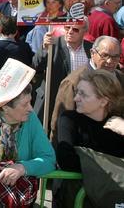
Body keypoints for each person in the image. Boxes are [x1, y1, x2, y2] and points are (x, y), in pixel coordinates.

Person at [0, 85, 56, 207]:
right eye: (25, 104)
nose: (30, 108)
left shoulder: (31, 119)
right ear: (5, 107)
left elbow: (49, 159)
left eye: (30, 102)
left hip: (19, 196)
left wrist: (22, 168)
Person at [54, 69, 124, 208]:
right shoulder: (69, 119)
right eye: (77, 92)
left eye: (83, 94)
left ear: (103, 101)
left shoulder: (119, 123)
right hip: (75, 199)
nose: (75, 98)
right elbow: (66, 159)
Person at [50, 35, 124, 140]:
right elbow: (59, 125)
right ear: (92, 53)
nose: (110, 61)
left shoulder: (120, 79)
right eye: (105, 55)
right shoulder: (73, 82)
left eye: (115, 57)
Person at [33, 19, 92, 132]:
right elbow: (36, 66)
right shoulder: (53, 44)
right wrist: (44, 48)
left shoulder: (91, 49)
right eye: (67, 27)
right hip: (52, 100)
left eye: (75, 29)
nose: (70, 32)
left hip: (80, 102)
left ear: (85, 31)